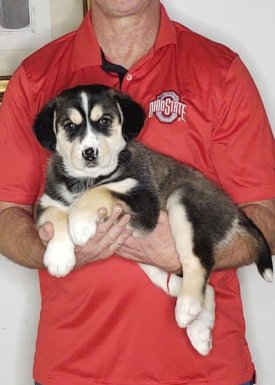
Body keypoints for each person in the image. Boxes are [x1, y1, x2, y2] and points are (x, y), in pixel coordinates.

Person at [0, 1, 274, 384]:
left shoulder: (220, 71)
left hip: (206, 373)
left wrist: (179, 252)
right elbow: (5, 216)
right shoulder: (36, 78)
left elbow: (265, 218)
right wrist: (52, 248)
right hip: (74, 369)